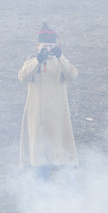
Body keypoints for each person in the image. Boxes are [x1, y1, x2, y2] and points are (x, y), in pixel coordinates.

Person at [18, 23, 78, 179]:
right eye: (45, 46)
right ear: (38, 46)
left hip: (58, 115)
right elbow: (23, 77)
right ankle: (40, 185)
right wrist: (38, 60)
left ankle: (65, 186)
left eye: (51, 46)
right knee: (38, 155)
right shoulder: (31, 61)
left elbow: (72, 75)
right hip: (37, 115)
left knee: (61, 152)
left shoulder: (60, 62)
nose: (48, 49)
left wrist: (61, 56)